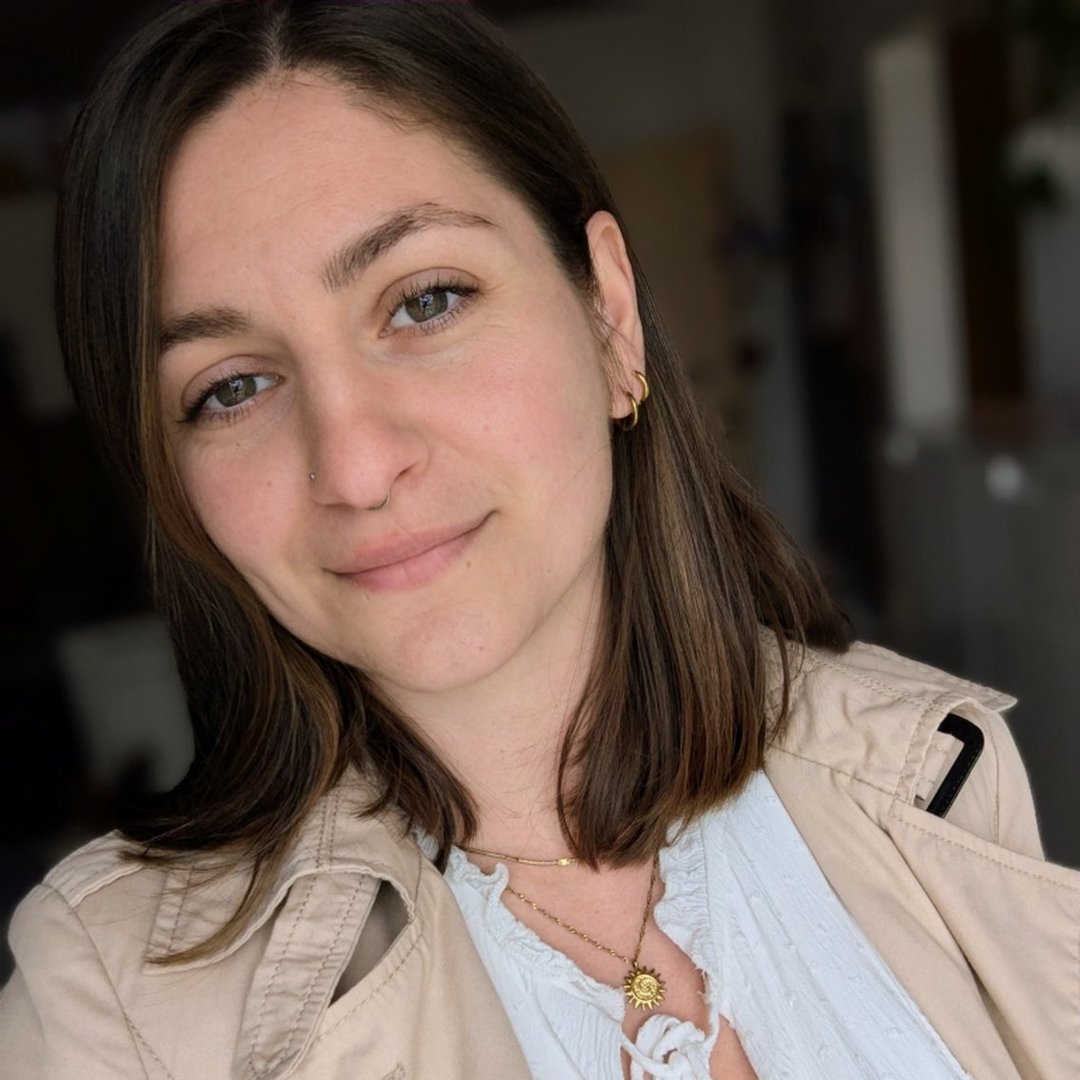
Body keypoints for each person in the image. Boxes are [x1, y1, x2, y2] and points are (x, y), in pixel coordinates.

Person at [0, 2, 1076, 1077]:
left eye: (425, 301)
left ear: (609, 315)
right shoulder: (111, 1008)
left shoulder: (931, 772)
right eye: (231, 387)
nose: (358, 467)